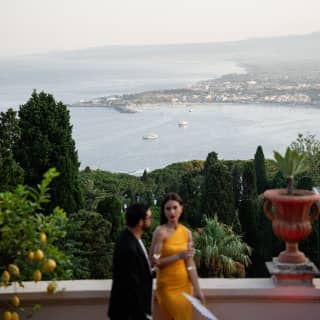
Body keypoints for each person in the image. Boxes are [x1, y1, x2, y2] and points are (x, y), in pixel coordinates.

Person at [150, 192, 204, 320]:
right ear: (164, 211)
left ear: (181, 208)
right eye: (168, 208)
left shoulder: (187, 233)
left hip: (184, 286)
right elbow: (154, 262)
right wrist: (178, 256)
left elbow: (190, 264)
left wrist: (197, 289)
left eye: (175, 207)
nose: (171, 212)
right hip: (167, 287)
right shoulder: (160, 232)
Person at [108, 203, 153, 320]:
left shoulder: (132, 239)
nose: (150, 221)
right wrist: (142, 315)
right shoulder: (128, 247)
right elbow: (131, 286)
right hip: (128, 314)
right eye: (149, 218)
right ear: (140, 222)